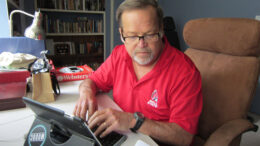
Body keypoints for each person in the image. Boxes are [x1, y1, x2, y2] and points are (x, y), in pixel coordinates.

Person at [73, 0, 203, 145]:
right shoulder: (119, 55)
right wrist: (86, 92)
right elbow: (93, 81)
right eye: (132, 36)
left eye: (149, 34)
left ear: (161, 29)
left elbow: (184, 137)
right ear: (122, 34)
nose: (141, 45)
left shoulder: (185, 73)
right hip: (122, 137)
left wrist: (132, 121)